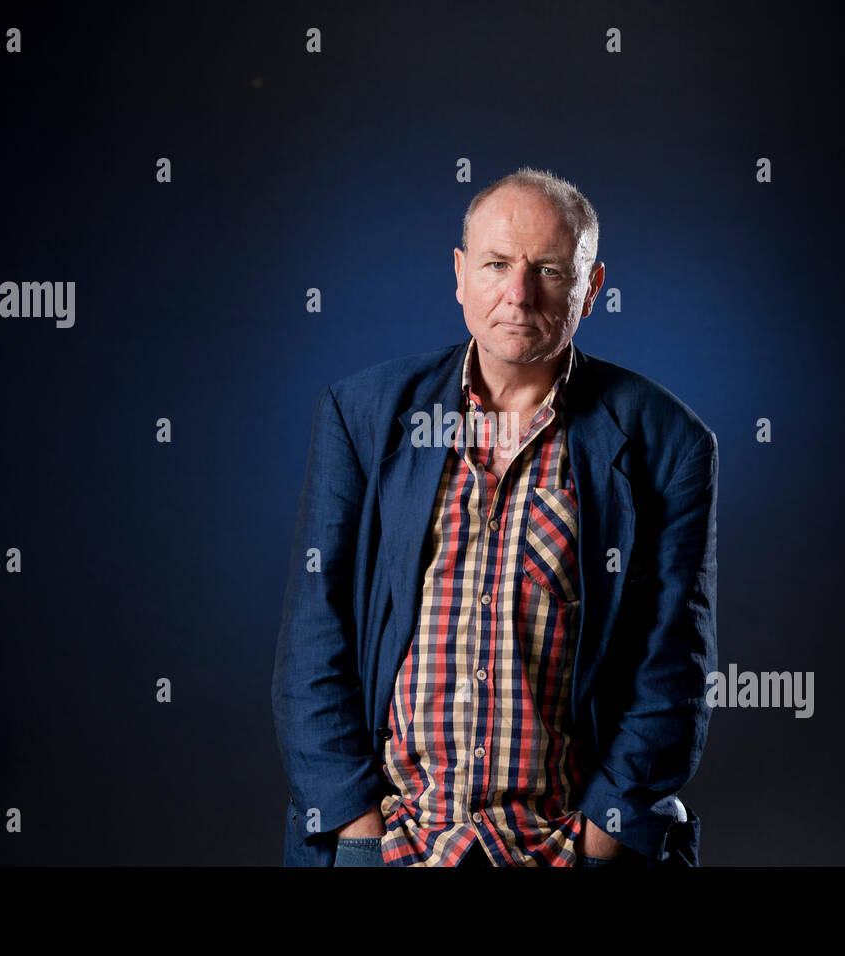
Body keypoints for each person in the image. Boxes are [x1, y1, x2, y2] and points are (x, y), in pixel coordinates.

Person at [272, 166, 718, 867]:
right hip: (395, 843)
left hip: (563, 847)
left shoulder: (667, 444)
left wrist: (600, 837)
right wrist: (359, 832)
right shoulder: (363, 416)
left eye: (547, 269)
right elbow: (313, 644)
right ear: (459, 273)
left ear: (592, 287)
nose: (518, 293)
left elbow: (672, 671)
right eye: (496, 264)